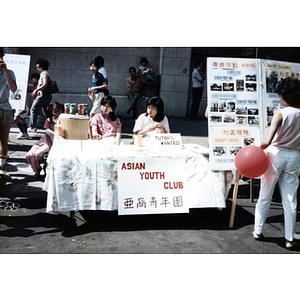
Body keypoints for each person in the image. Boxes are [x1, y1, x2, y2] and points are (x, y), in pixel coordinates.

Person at [252, 77, 300, 250]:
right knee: (290, 199)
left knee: (265, 194)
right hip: (294, 156)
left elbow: (266, 141)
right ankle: (289, 238)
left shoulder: (280, 113)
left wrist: (253, 150)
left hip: (275, 155)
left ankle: (257, 230)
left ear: (283, 95)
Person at [25, 102, 64, 178]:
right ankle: (37, 168)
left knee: (38, 154)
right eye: (55, 111)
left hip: (55, 140)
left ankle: (37, 170)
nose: (57, 113)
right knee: (30, 154)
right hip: (46, 140)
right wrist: (50, 146)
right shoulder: (48, 121)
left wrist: (52, 147)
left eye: (59, 111)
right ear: (51, 112)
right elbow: (47, 134)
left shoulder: (63, 120)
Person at [0, 47, 18, 180]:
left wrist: (5, 70)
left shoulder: (9, 72)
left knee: (3, 140)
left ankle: (2, 168)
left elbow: (13, 89)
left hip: (5, 108)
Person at [29, 59, 53, 131]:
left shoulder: (44, 74)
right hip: (46, 95)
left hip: (42, 95)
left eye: (37, 64)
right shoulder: (45, 73)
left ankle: (32, 126)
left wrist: (36, 90)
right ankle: (51, 124)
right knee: (46, 111)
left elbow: (45, 84)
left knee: (33, 109)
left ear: (40, 65)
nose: (36, 66)